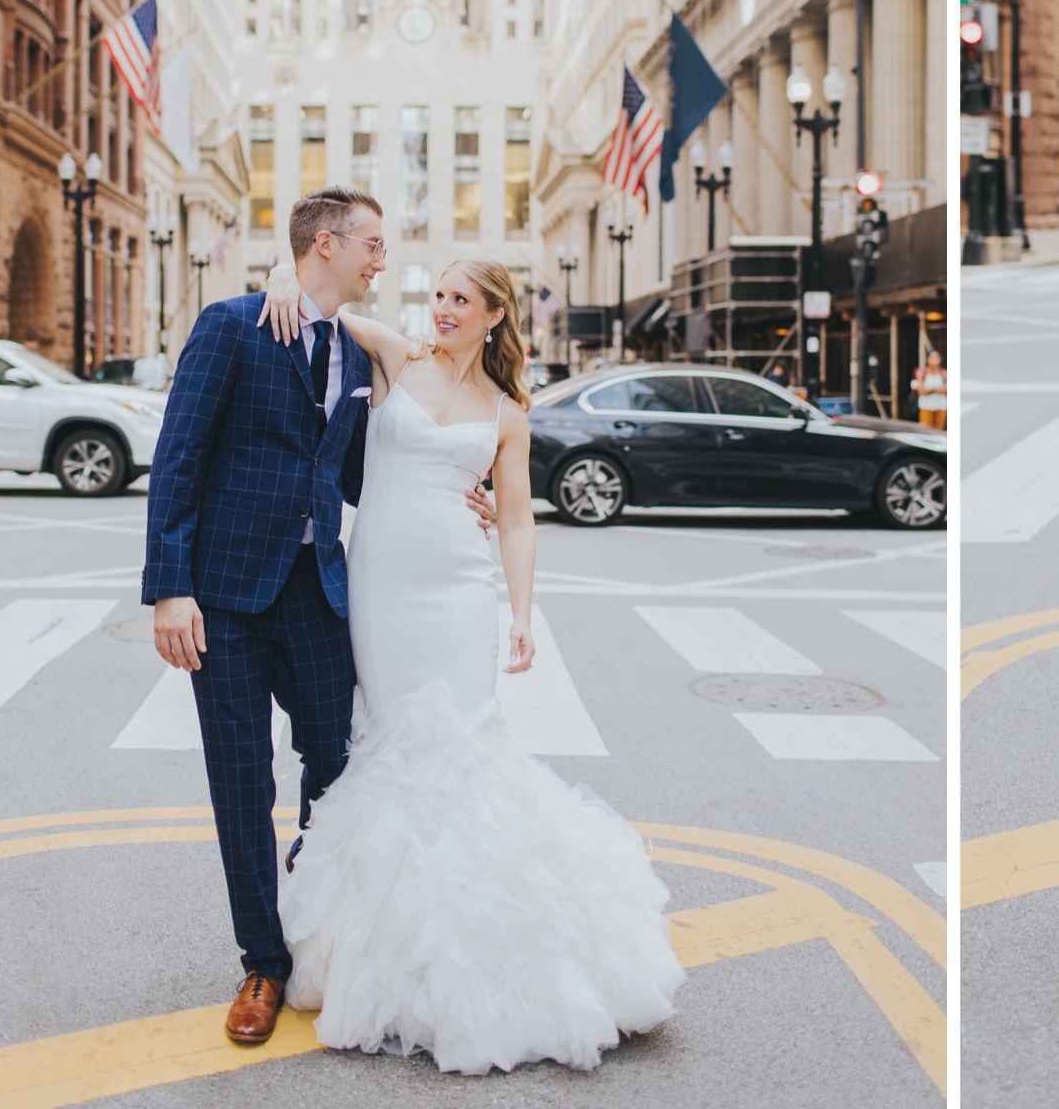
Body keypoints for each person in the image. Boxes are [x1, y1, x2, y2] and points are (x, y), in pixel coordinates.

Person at [254, 256, 685, 1074]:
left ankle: (476, 954)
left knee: (460, 750)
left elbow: (518, 521)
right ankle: (388, 947)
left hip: (458, 589)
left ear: (494, 316)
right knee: (391, 744)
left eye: (461, 300)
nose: (443, 309)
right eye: (440, 296)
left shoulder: (507, 411)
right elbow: (318, 302)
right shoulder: (394, 357)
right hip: (381, 586)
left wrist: (520, 614)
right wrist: (281, 272)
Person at [141, 188, 494, 1046]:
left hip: (318, 587)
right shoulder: (233, 326)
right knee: (239, 780)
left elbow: (356, 469)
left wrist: (457, 495)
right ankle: (264, 960)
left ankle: (317, 915)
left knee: (338, 756)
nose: (383, 260)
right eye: (373, 245)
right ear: (328, 244)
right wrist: (169, 587)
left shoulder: (352, 346)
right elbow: (178, 456)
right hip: (221, 592)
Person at [914, 350, 947, 430]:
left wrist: (930, 389)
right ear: (928, 360)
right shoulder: (922, 373)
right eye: (932, 358)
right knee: (926, 431)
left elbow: (947, 390)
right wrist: (937, 389)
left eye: (937, 358)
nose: (934, 360)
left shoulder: (944, 373)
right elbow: (921, 391)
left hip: (941, 406)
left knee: (939, 431)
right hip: (926, 407)